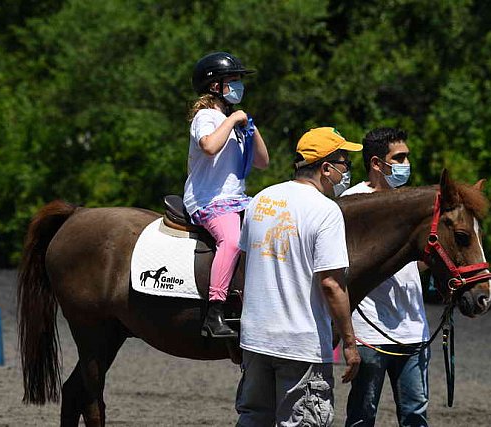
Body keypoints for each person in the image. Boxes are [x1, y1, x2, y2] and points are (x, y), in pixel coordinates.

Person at [235, 127, 362, 426]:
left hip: (254, 339)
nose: (348, 172)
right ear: (326, 168)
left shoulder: (261, 199)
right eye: (346, 164)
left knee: (253, 419)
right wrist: (349, 342)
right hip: (300, 344)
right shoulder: (326, 211)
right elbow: (331, 283)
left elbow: (244, 264)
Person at [343, 128, 431, 427]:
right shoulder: (352, 202)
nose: (407, 163)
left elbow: (414, 263)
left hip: (414, 329)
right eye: (400, 157)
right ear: (378, 163)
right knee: (362, 416)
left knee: (416, 416)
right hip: (369, 331)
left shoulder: (410, 201)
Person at [184, 52, 269, 338]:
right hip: (209, 200)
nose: (238, 87)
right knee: (231, 241)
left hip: (237, 198)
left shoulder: (229, 120)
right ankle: (215, 312)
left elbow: (262, 162)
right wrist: (232, 120)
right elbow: (209, 146)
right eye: (232, 81)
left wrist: (251, 130)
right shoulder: (205, 118)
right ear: (214, 86)